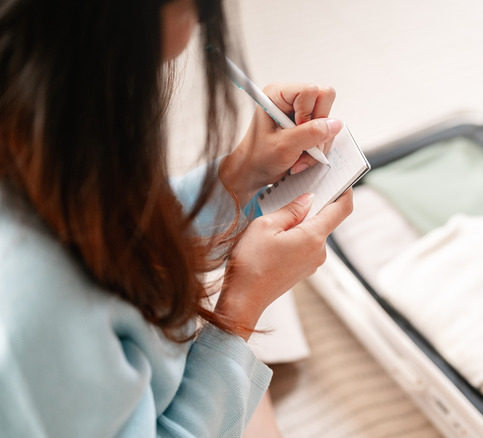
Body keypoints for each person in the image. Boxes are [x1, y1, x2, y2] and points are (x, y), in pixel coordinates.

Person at [0, 0, 353, 436]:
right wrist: (242, 305)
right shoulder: (34, 310)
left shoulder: (42, 112)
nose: (204, 17)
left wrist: (240, 173)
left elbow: (120, 231)